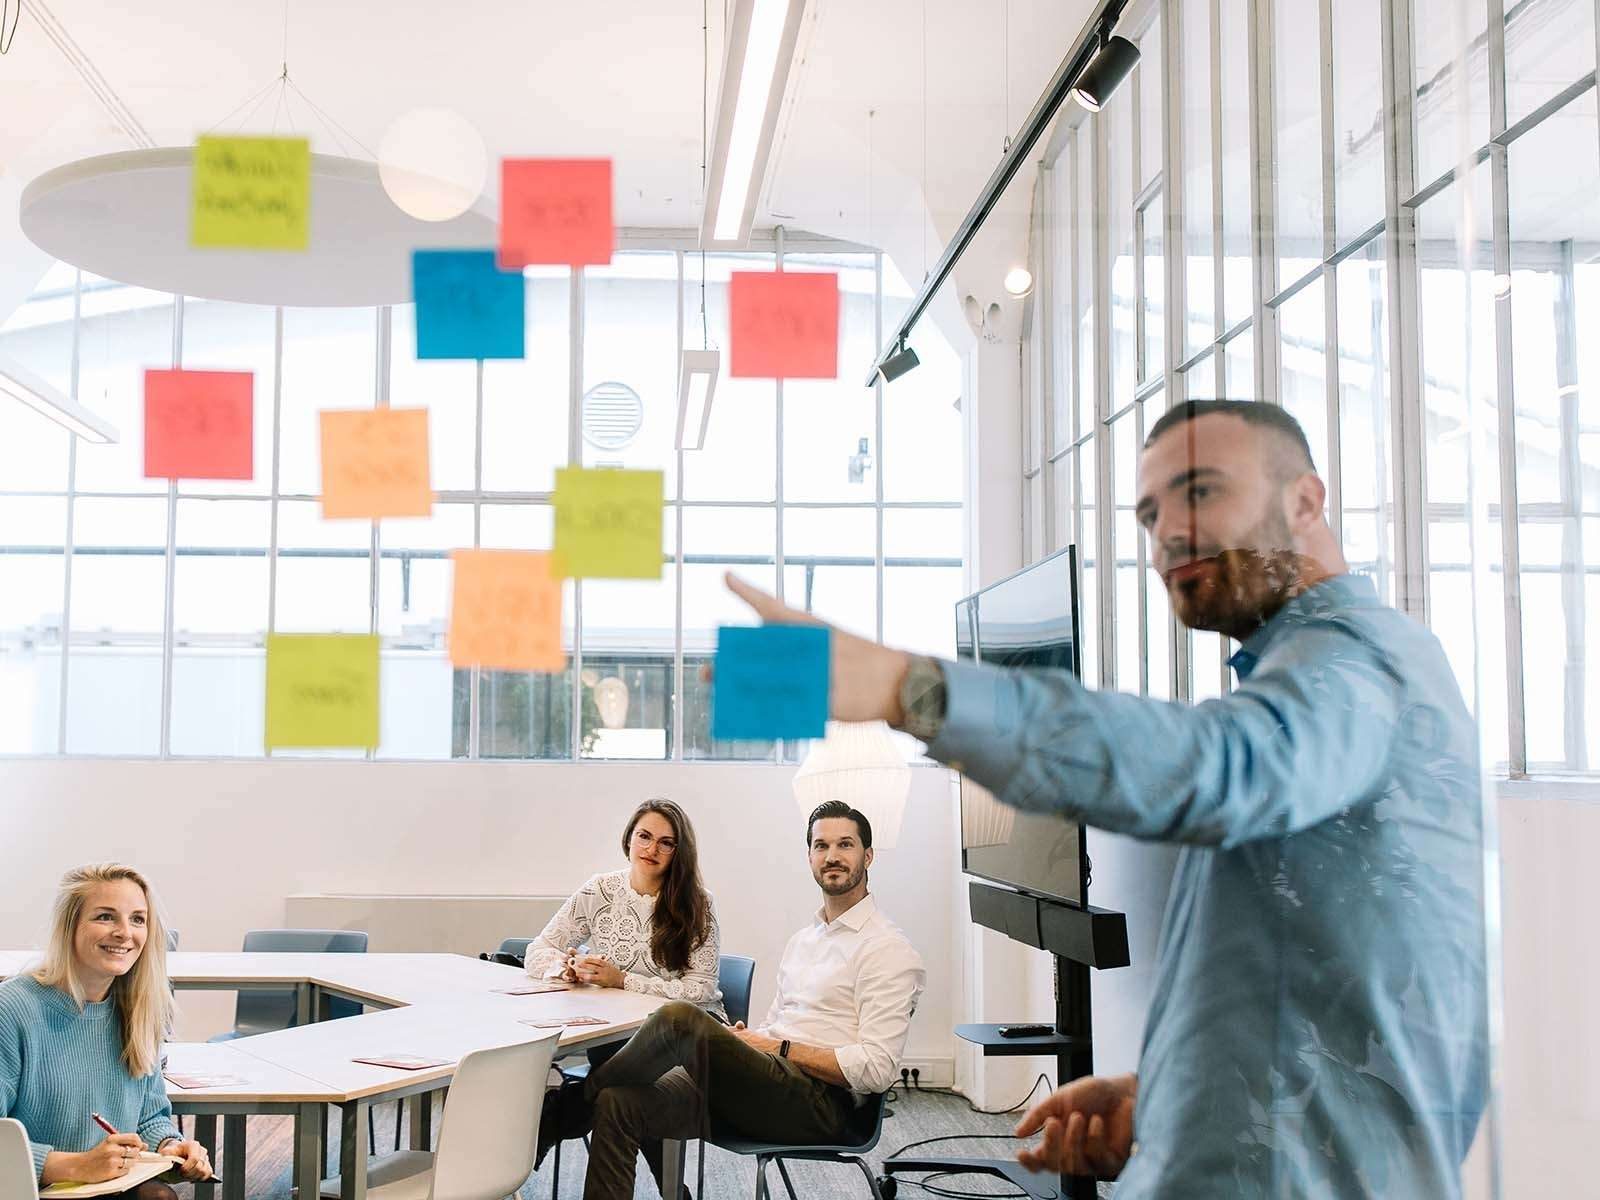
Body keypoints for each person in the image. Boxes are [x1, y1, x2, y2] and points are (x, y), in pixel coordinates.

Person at [723, 400, 1487, 1198]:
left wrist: (907, 688)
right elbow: (1330, 984)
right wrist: (1172, 1095)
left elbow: (1210, 763)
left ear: (1305, 501)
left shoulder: (1356, 670)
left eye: (1202, 492)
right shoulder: (1317, 681)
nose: (1169, 533)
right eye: (1151, 513)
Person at [573, 800, 925, 1200]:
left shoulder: (887, 949)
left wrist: (776, 1047)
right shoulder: (805, 939)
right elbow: (779, 1026)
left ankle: (570, 1107)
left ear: (868, 856)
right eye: (820, 846)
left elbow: (878, 1070)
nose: (832, 856)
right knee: (618, 1102)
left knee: (679, 1019)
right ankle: (589, 1100)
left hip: (824, 1107)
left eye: (845, 845)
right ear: (809, 856)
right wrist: (748, 1041)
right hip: (769, 1086)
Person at [0, 864, 214, 1198]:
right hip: (33, 1189)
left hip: (108, 1185)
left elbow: (150, 1117)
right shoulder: (11, 1008)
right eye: (105, 917)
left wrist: (169, 1145)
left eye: (138, 919)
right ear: (69, 927)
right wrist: (75, 1165)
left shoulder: (139, 1010)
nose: (125, 932)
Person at [526, 798, 726, 1022]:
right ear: (629, 838)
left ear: (678, 853)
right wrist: (569, 968)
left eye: (666, 843)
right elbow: (538, 950)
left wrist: (622, 980)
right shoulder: (599, 889)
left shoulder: (699, 902)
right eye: (644, 836)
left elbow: (702, 989)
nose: (651, 849)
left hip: (685, 1027)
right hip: (616, 1019)